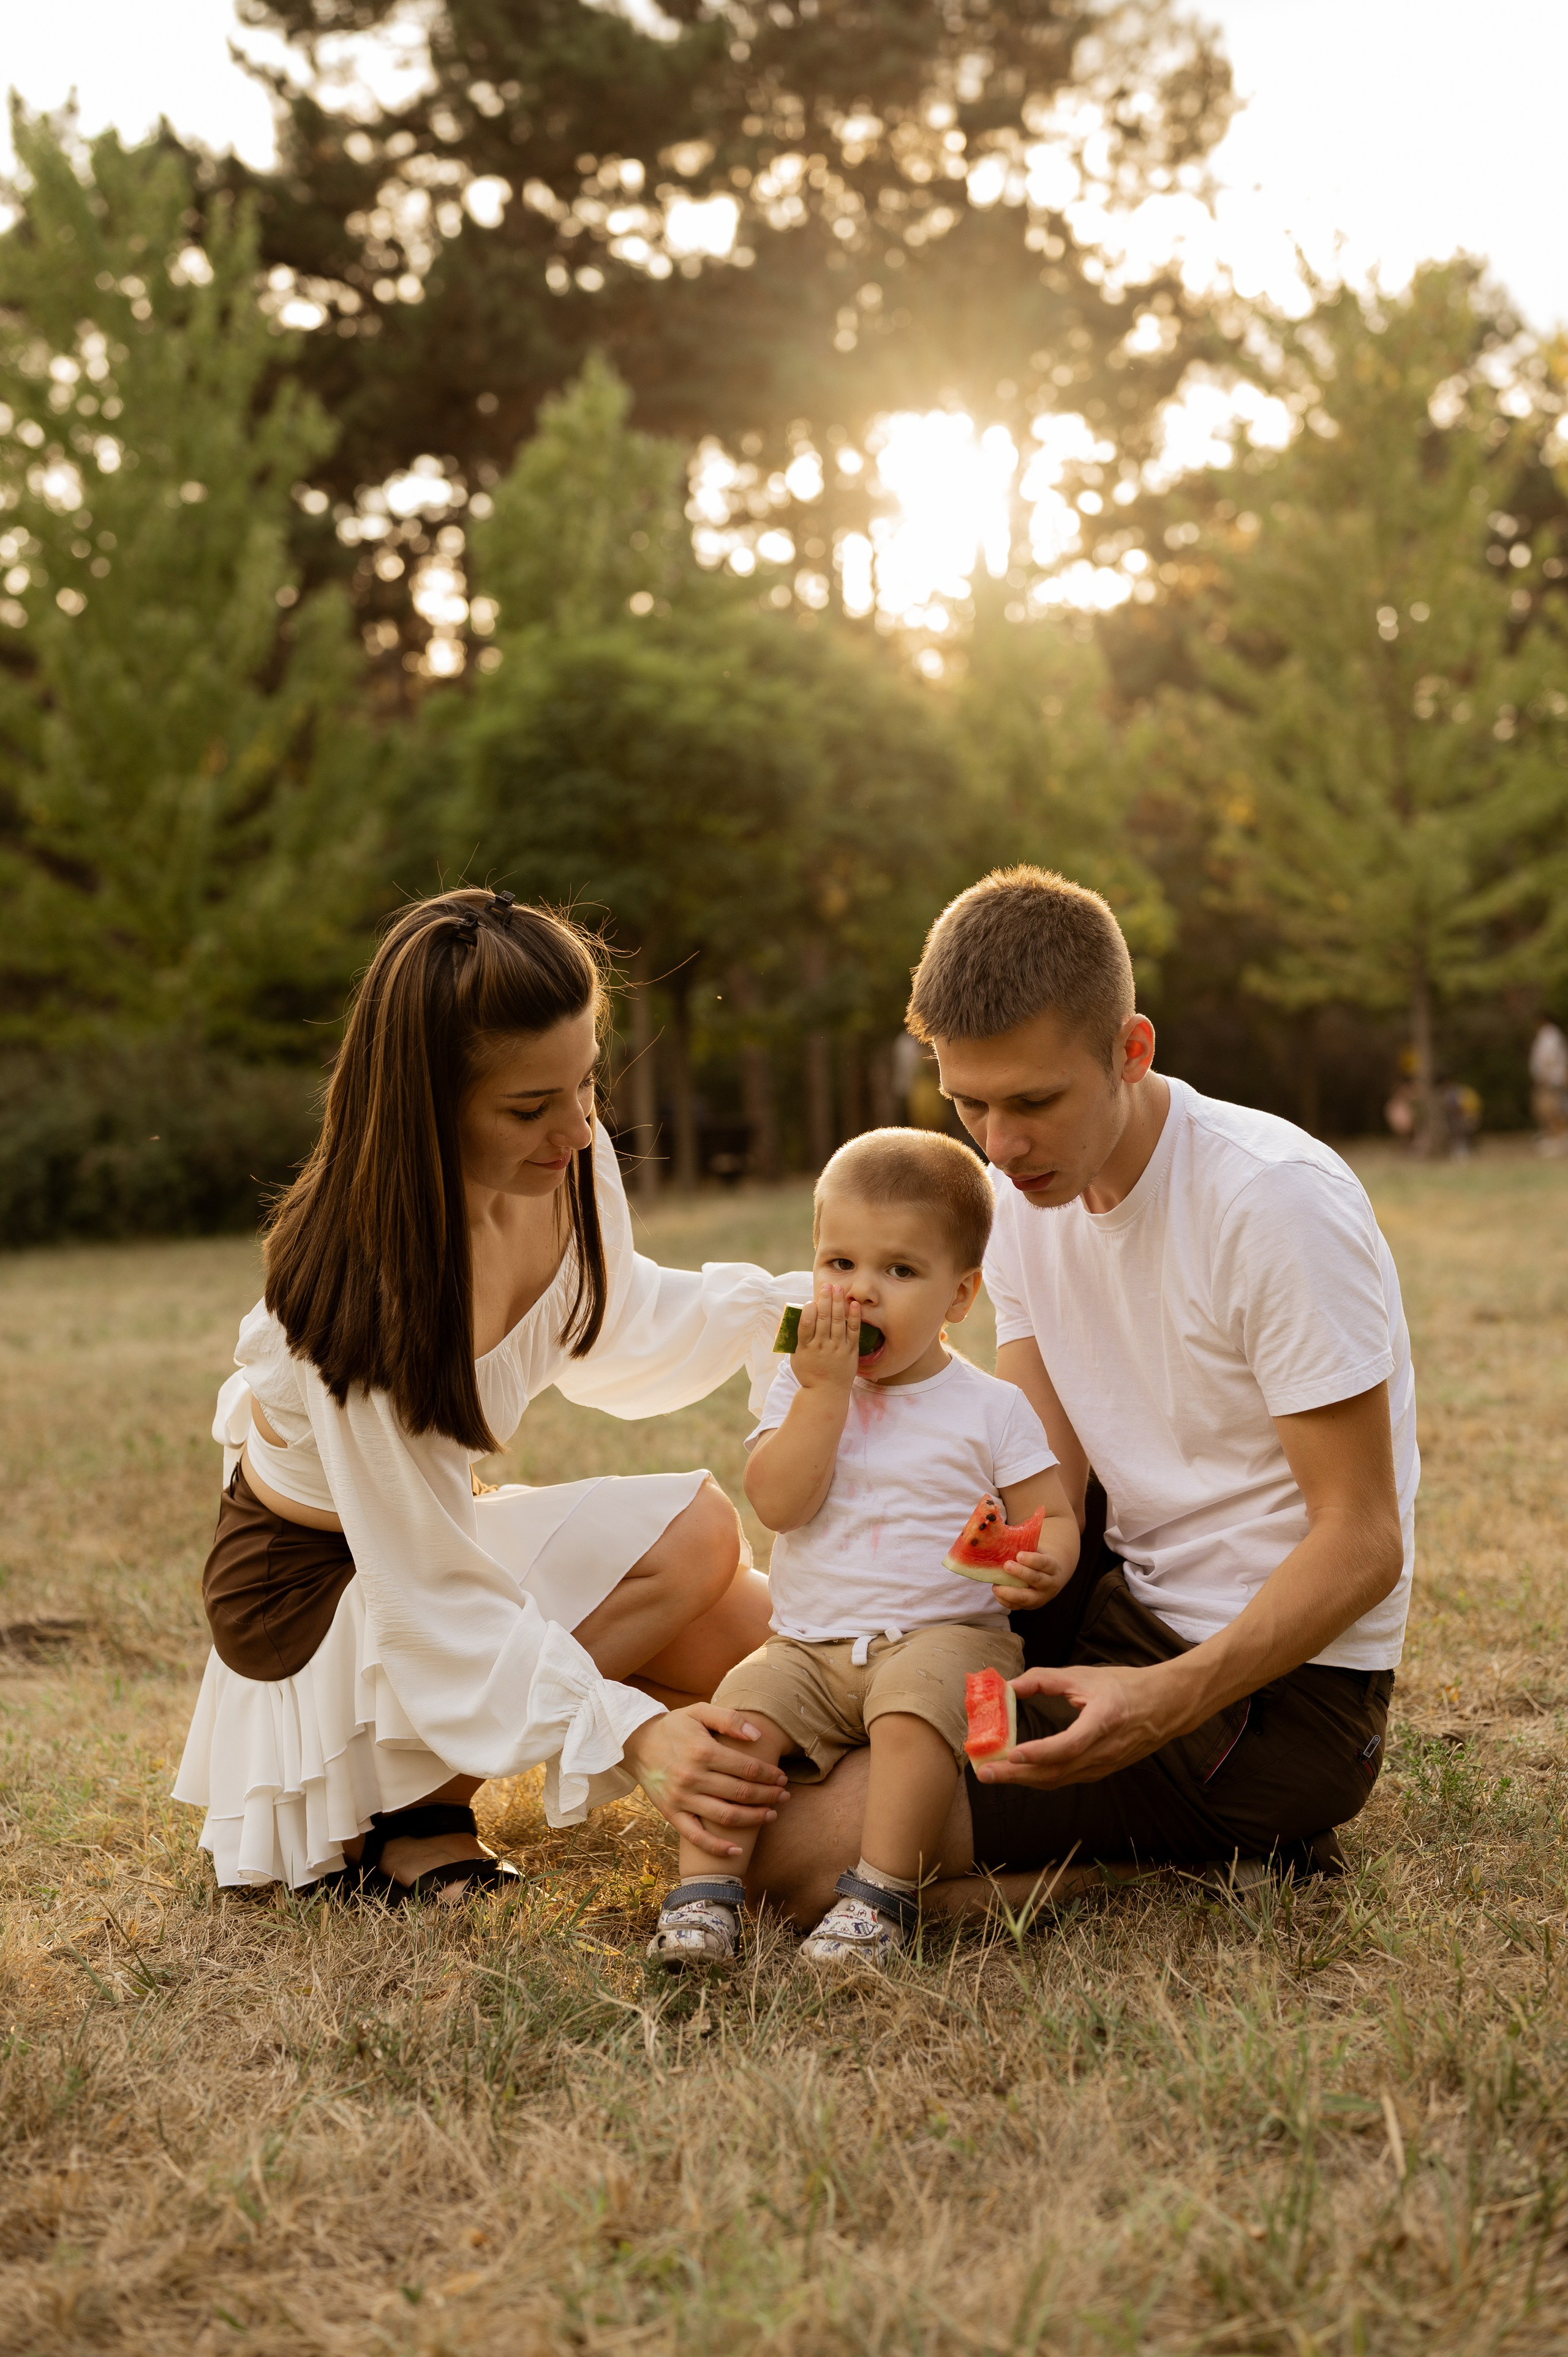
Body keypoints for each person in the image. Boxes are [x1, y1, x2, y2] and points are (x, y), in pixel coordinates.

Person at [748, 867, 1418, 1925]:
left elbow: (1365, 1538)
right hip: (1108, 1613)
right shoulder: (1018, 1205)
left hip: (1270, 1701)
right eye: (969, 1103)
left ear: (1131, 1049)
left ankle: (1187, 1861)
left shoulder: (1273, 1200)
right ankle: (1043, 1829)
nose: (999, 1146)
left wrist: (1167, 1699)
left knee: (795, 1857)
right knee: (759, 1774)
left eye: (1034, 1101)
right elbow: (1036, 1484)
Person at [174, 889, 808, 1901]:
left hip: (431, 1555)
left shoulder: (567, 1159)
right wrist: (638, 1733)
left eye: (586, 1081)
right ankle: (405, 1815)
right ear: (428, 1102)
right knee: (694, 1532)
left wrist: (800, 1317)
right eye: (528, 1107)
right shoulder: (371, 1290)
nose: (576, 1126)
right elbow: (429, 1587)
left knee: (768, 1641)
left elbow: (617, 1323)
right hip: (335, 1602)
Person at [647, 1129, 1077, 1970]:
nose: (861, 1293)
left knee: (916, 1709)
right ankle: (703, 1898)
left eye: (899, 1272)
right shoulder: (797, 1383)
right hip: (806, 1645)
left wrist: (1043, 1561)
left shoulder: (992, 1408)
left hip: (953, 1639)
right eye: (838, 1265)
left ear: (960, 1297)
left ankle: (881, 1896)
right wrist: (822, 1395)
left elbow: (1050, 1516)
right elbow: (779, 1501)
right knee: (738, 1713)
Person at [1529, 1019, 1568, 1156]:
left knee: (1552, 1110)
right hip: (1552, 1079)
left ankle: (1559, 1141)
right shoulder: (1550, 1035)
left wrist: (1544, 1076)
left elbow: (1549, 1058)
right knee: (1550, 1110)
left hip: (1551, 1080)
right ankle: (1556, 1140)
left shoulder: (1549, 1035)